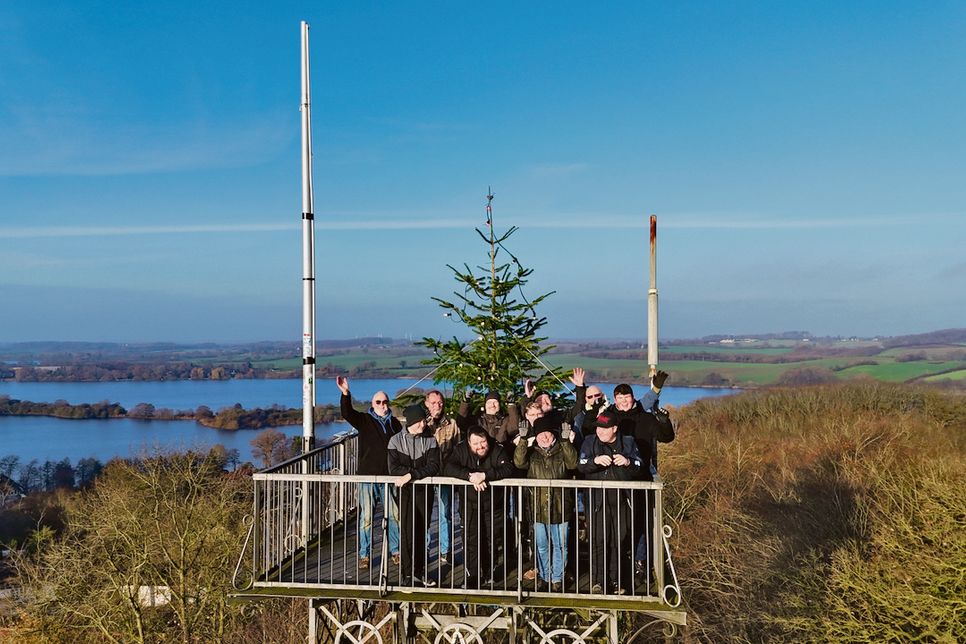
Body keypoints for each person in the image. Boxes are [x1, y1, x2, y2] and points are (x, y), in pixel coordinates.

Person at [603, 371, 674, 576]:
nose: (624, 402)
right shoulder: (608, 416)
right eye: (620, 398)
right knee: (619, 521)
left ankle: (640, 559)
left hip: (642, 475)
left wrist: (663, 421)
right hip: (615, 475)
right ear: (615, 399)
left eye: (627, 398)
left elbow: (666, 437)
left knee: (642, 520)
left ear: (632, 398)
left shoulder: (645, 417)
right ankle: (619, 559)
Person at [336, 376, 401, 570]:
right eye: (378, 402)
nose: (382, 405)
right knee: (366, 518)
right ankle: (365, 555)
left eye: (385, 401)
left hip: (389, 477)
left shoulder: (395, 424)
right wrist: (346, 393)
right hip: (367, 477)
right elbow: (347, 413)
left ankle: (395, 551)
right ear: (372, 404)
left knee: (394, 515)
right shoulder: (364, 420)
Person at [577, 410, 643, 595]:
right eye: (598, 427)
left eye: (605, 428)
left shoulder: (628, 442)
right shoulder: (590, 441)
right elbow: (581, 464)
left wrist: (628, 461)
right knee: (598, 541)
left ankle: (617, 581)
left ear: (614, 428)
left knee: (619, 541)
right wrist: (595, 460)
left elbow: (640, 465)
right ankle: (598, 581)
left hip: (622, 501)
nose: (600, 431)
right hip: (597, 501)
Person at [444, 425, 515, 588]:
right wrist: (470, 476)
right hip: (469, 503)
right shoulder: (461, 449)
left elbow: (508, 468)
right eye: (475, 444)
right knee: (471, 539)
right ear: (469, 442)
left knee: (492, 538)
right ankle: (473, 575)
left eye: (482, 442)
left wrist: (484, 475)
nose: (480, 447)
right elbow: (448, 467)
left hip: (494, 503)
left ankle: (490, 571)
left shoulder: (497, 448)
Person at [513, 415, 578, 592]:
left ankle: (557, 578)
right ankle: (543, 576)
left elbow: (573, 464)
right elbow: (519, 463)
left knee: (561, 545)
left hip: (561, 506)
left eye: (548, 433)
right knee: (541, 545)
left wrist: (565, 442)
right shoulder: (532, 453)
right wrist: (523, 440)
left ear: (554, 434)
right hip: (538, 507)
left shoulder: (562, 450)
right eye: (541, 434)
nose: (544, 437)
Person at [388, 404, 441, 587]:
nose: (423, 424)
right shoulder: (395, 441)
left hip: (423, 492)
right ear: (411, 422)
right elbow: (393, 468)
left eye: (423, 421)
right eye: (419, 421)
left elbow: (434, 466)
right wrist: (415, 473)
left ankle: (421, 570)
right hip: (404, 493)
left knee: (421, 531)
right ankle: (407, 573)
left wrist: (411, 475)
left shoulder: (431, 440)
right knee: (407, 533)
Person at [423, 390, 460, 565]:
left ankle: (446, 550)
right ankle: (424, 550)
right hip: (425, 475)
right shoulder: (421, 424)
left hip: (446, 474)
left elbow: (458, 449)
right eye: (434, 402)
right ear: (426, 404)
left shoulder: (452, 424)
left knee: (446, 513)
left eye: (440, 402)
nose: (437, 406)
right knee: (424, 514)